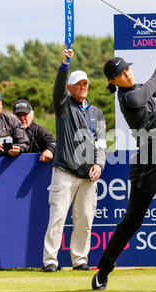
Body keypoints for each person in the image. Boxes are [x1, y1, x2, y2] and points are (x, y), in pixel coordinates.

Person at [92, 36, 156, 292]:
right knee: (132, 222)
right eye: (121, 74)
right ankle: (104, 270)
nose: (128, 74)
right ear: (113, 81)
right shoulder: (130, 99)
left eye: (128, 69)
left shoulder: (140, 90)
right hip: (148, 164)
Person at [42, 46, 107, 272]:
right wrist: (64, 65)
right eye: (78, 84)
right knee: (57, 218)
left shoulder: (97, 113)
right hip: (65, 172)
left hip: (88, 176)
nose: (83, 87)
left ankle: (80, 261)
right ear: (70, 87)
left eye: (85, 84)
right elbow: (57, 90)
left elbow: (101, 144)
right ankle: (50, 261)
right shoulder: (63, 105)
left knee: (85, 221)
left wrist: (99, 164)